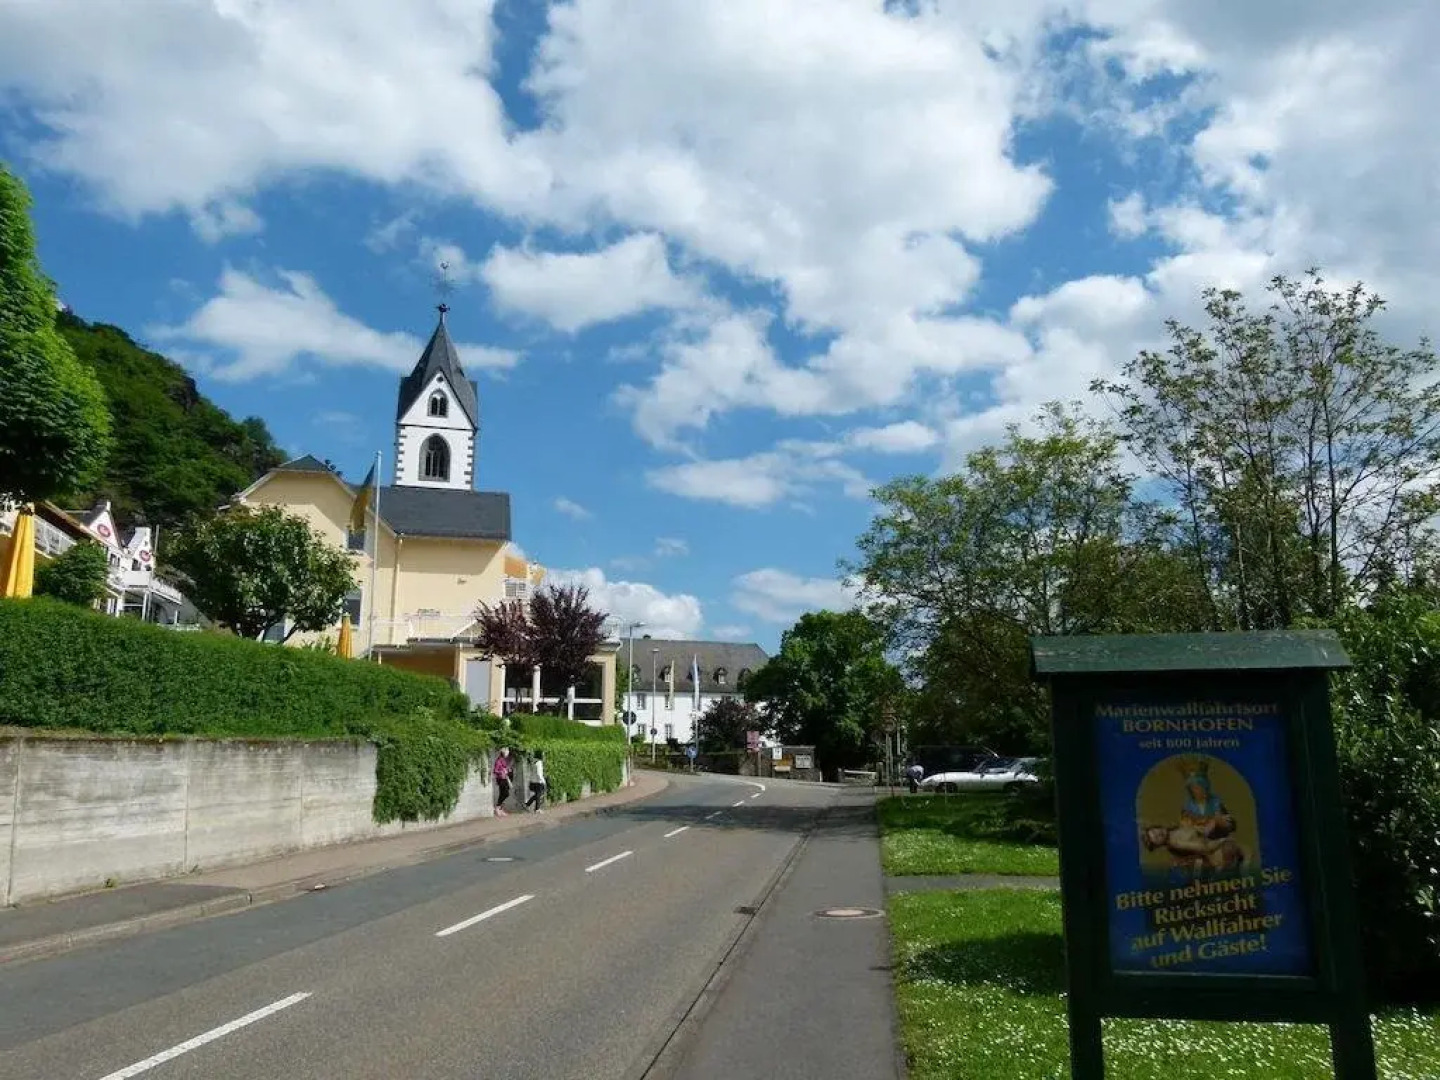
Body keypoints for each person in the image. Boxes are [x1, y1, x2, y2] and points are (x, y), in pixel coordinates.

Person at [493, 747, 513, 817]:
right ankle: (497, 808)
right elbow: (495, 771)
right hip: (501, 779)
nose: (508, 753)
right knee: (505, 794)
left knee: (502, 794)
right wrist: (501, 772)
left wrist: (508, 769)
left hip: (505, 778)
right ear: (504, 753)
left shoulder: (503, 760)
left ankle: (500, 809)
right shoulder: (498, 760)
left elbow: (505, 768)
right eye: (507, 752)